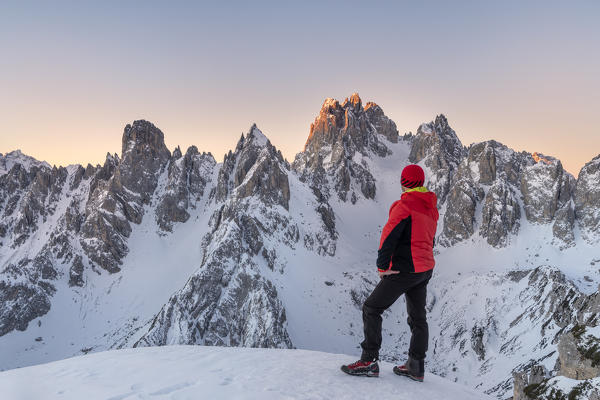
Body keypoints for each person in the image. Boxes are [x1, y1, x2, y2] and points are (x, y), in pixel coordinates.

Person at [341, 164, 439, 382]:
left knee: (371, 308)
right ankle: (416, 366)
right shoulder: (431, 207)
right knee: (418, 317)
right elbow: (430, 239)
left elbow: (388, 236)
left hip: (404, 268)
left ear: (404, 183)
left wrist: (382, 267)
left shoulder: (404, 206)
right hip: (424, 269)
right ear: (421, 182)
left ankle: (369, 360)